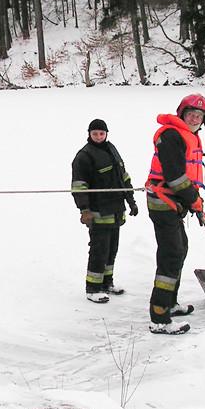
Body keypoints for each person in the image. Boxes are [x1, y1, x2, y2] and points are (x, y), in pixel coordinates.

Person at [145, 94, 205, 335]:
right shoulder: (171, 135)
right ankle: (159, 317)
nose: (195, 118)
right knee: (171, 255)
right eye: (191, 113)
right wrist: (193, 200)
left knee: (180, 249)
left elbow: (188, 178)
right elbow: (175, 176)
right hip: (163, 202)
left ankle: (170, 304)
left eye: (200, 116)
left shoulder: (191, 136)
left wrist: (196, 204)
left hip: (176, 202)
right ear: (182, 113)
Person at [72, 118, 139, 303]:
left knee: (112, 250)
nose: (99, 136)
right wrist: (84, 210)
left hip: (116, 209)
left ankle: (106, 283)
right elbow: (79, 186)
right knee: (99, 250)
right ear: (89, 134)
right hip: (98, 211)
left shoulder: (112, 150)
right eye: (95, 133)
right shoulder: (84, 156)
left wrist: (131, 201)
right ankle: (93, 288)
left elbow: (123, 177)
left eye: (102, 133)